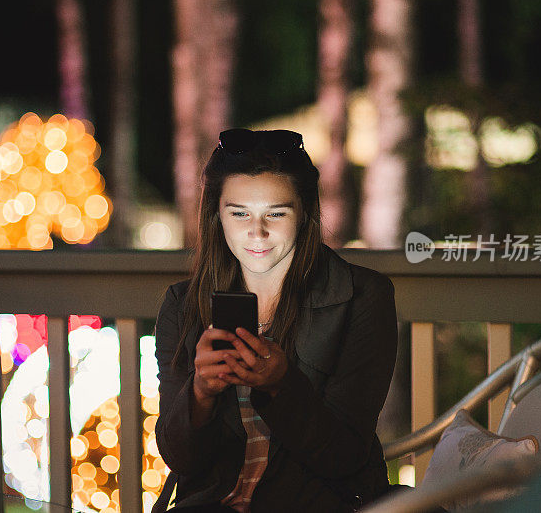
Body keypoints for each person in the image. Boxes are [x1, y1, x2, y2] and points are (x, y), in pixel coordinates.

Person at [152, 129, 399, 513]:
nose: (257, 231)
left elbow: (345, 456)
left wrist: (283, 387)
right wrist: (200, 393)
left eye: (276, 214)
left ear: (304, 214)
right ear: (216, 215)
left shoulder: (362, 296)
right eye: (239, 213)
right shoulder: (183, 305)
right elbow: (181, 460)